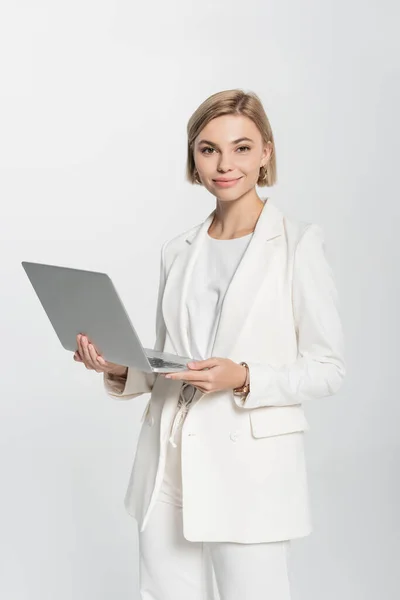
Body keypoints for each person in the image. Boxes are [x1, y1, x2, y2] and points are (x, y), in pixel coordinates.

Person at [74, 89, 346, 600]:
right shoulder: (178, 250)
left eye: (241, 148)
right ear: (193, 158)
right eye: (208, 149)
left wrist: (243, 376)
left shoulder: (297, 243)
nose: (224, 164)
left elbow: (328, 367)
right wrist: (118, 367)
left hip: (249, 468)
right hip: (167, 462)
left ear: (266, 152)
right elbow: (170, 359)